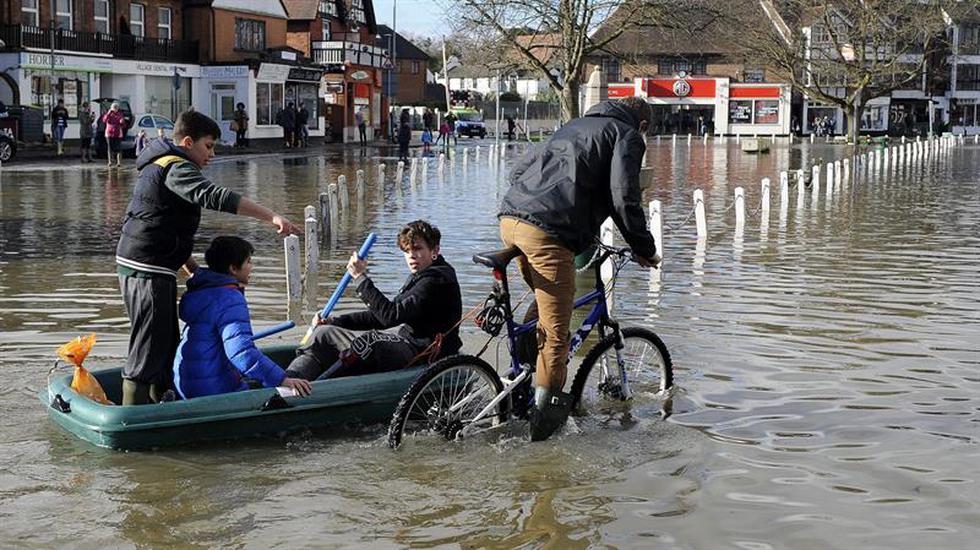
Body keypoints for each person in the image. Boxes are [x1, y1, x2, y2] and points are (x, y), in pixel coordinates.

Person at [497, 97, 661, 441]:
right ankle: (542, 436)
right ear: (643, 125)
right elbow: (623, 196)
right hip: (546, 231)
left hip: (510, 219)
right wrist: (644, 248)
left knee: (545, 305)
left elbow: (518, 172)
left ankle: (523, 380)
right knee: (557, 337)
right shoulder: (626, 134)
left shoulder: (573, 126)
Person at [115, 109, 300, 405]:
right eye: (209, 146)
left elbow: (164, 223)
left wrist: (191, 266)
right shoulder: (176, 167)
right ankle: (133, 417)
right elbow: (213, 195)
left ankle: (165, 405)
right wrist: (272, 216)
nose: (212, 154)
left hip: (152, 264)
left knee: (165, 343)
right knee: (149, 348)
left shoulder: (163, 165)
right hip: (146, 267)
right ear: (188, 142)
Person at [285, 220, 462, 382]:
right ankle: (291, 382)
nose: (411, 256)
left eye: (417, 249)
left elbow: (389, 316)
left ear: (434, 251)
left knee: (370, 341)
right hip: (406, 344)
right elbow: (382, 316)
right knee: (323, 333)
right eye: (407, 251)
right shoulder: (422, 275)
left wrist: (360, 278)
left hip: (424, 353)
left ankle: (313, 388)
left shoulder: (437, 279)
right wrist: (335, 321)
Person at [173, 236, 312, 399]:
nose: (251, 266)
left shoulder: (202, 291)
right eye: (248, 262)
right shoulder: (230, 299)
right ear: (233, 268)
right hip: (211, 390)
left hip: (185, 383)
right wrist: (282, 380)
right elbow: (240, 351)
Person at [101, 102, 127, 167]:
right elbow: (104, 120)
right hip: (109, 134)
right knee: (109, 148)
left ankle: (119, 162)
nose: (115, 109)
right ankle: (110, 161)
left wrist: (122, 122)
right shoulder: (109, 114)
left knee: (118, 148)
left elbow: (124, 125)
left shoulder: (120, 114)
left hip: (118, 134)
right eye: (114, 108)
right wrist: (108, 113)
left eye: (116, 108)